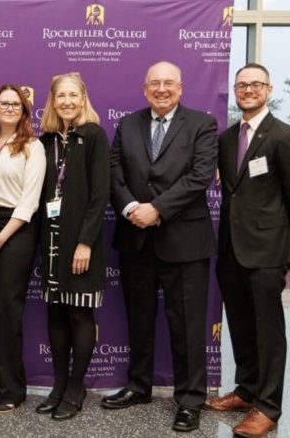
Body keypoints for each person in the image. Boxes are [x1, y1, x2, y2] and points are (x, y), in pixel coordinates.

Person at [102, 61, 217, 433]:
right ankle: (138, 387)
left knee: (187, 325)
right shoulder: (128, 124)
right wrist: (133, 207)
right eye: (155, 83)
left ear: (181, 88)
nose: (162, 89)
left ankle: (190, 400)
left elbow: (200, 176)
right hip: (136, 238)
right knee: (139, 319)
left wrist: (158, 209)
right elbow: (115, 172)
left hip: (184, 241)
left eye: (169, 83)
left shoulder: (202, 123)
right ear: (145, 88)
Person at [203, 63, 290, 437]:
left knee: (269, 331)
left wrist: (278, 236)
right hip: (231, 249)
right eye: (241, 85)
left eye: (255, 84)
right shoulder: (228, 138)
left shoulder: (285, 136)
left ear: (269, 89)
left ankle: (268, 407)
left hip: (266, 250)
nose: (248, 90)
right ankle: (247, 390)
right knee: (242, 325)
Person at [36, 73, 110, 420]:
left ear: (83, 98)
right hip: (50, 240)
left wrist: (85, 243)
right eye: (60, 96)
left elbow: (100, 195)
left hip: (82, 243)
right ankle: (59, 384)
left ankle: (77, 387)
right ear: (52, 100)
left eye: (72, 95)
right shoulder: (46, 139)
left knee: (80, 312)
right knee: (55, 312)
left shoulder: (94, 136)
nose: (66, 101)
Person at [0, 84, 46, 414]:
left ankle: (14, 390)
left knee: (7, 309)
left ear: (24, 110)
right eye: (3, 103)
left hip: (16, 229)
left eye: (15, 104)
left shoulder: (32, 147)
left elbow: (30, 201)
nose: (8, 108)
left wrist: (2, 237)